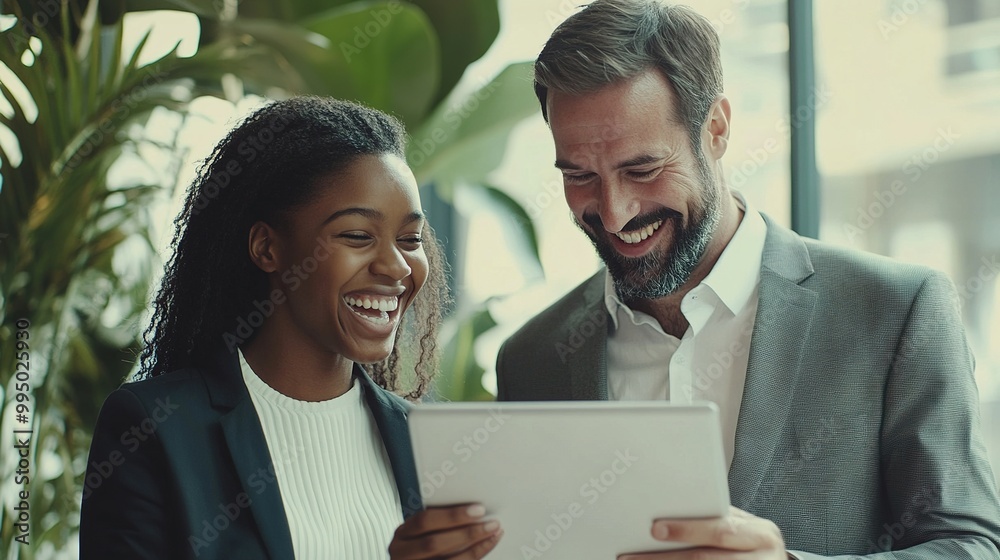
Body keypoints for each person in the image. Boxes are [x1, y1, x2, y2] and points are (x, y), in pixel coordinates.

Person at [494, 1, 1000, 559]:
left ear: (715, 129)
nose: (613, 213)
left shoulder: (893, 312)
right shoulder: (532, 356)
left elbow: (971, 547)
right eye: (581, 176)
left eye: (643, 169)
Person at [80, 97, 503, 559]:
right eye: (358, 236)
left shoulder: (427, 441)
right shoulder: (155, 428)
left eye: (410, 240)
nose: (397, 266)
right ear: (267, 247)